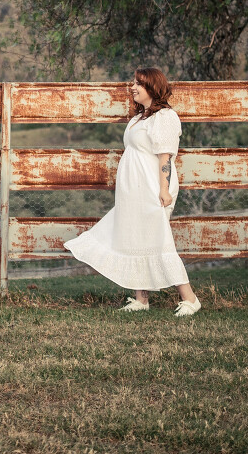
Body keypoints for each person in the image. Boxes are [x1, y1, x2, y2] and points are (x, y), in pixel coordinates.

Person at [64, 67, 201, 316]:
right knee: (136, 239)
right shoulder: (140, 118)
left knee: (159, 240)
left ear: (152, 87)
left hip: (152, 188)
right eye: (133, 82)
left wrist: (164, 190)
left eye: (138, 83)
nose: (132, 87)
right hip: (133, 191)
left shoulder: (165, 117)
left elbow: (165, 157)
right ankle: (141, 299)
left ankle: (190, 299)